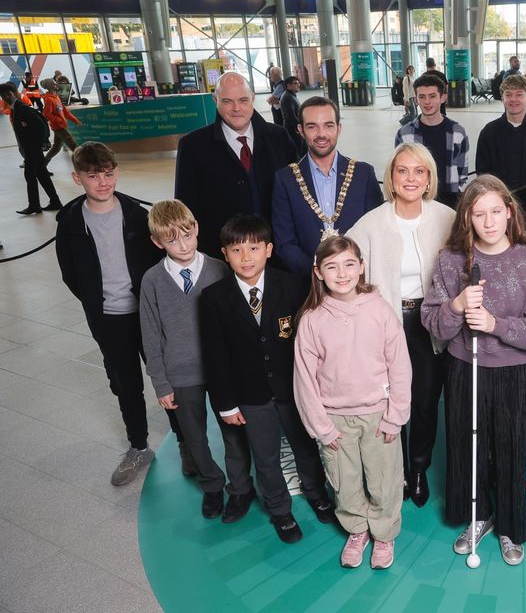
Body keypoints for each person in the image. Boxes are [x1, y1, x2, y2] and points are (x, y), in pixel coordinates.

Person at [421, 175, 526, 566]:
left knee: (510, 447)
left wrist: (496, 324)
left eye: (496, 211)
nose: (488, 221)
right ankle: (477, 515)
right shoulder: (452, 261)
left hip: (512, 371)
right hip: (465, 368)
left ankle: (511, 527)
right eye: (478, 214)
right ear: (466, 219)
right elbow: (432, 321)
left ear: (509, 212)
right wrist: (456, 306)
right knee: (468, 446)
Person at [200, 214, 333, 543]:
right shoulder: (214, 298)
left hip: (294, 388)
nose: (246, 258)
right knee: (266, 456)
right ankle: (280, 511)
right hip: (250, 394)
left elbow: (311, 341)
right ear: (224, 254)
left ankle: (318, 495)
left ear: (269, 250)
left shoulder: (293, 285)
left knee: (306, 447)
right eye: (236, 250)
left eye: (254, 248)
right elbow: (215, 357)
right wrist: (226, 404)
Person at [55, 142, 182, 485]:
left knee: (166, 377)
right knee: (126, 383)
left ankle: (187, 443)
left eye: (108, 174)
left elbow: (160, 264)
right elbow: (70, 274)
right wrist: (99, 301)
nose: (102, 182)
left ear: (117, 173)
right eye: (93, 176)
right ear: (77, 177)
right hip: (108, 319)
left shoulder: (138, 216)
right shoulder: (69, 222)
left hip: (147, 314)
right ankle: (138, 447)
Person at [347, 143, 456, 508]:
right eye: (402, 171)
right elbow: (346, 269)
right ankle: (397, 472)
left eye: (419, 171)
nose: (410, 178)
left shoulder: (446, 217)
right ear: (391, 178)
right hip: (388, 321)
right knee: (391, 399)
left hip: (430, 322)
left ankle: (420, 468)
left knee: (425, 400)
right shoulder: (372, 222)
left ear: (429, 179)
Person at [293, 236, 411, 568]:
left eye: (349, 264)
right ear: (318, 272)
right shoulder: (312, 320)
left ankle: (384, 534)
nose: (341, 273)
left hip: (378, 414)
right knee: (343, 482)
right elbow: (304, 380)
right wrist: (322, 429)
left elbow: (399, 365)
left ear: (361, 267)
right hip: (335, 420)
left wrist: (395, 416)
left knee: (384, 479)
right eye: (331, 266)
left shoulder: (380, 310)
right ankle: (357, 529)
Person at [139, 200, 231, 519]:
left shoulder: (219, 268)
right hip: (180, 374)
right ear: (157, 242)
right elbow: (150, 335)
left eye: (188, 235)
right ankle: (212, 485)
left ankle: (242, 485)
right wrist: (160, 382)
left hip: (221, 370)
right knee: (194, 436)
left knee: (233, 430)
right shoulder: (152, 281)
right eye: (172, 239)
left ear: (197, 229)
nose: (183, 245)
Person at [175, 71, 298, 256]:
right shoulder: (193, 147)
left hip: (278, 254)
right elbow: (186, 210)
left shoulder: (279, 138)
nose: (236, 108)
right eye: (227, 101)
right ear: (214, 99)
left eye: (243, 100)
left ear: (253, 98)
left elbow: (297, 194)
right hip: (221, 256)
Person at [272, 96, 383, 273]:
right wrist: (319, 272)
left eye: (328, 125)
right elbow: (285, 244)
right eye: (312, 126)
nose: (321, 134)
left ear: (339, 128)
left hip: (358, 282)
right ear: (300, 130)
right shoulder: (285, 180)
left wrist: (354, 272)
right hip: (309, 285)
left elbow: (377, 233)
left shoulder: (363, 174)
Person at [395, 74, 470, 209]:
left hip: (450, 201)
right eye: (422, 97)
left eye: (432, 96)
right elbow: (400, 170)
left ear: (443, 97)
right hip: (417, 199)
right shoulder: (405, 134)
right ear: (416, 99)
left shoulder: (458, 132)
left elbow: (462, 170)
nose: (427, 102)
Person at [475, 74, 526, 190]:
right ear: (502, 98)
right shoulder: (489, 132)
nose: (513, 99)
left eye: (519, 94)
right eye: (508, 95)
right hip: (499, 199)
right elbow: (483, 173)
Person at [0, 82, 61, 215]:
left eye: (4, 95)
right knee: (42, 175)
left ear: (9, 94)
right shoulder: (17, 108)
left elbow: (41, 125)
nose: (4, 98)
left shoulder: (21, 108)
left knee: (30, 175)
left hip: (32, 149)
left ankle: (34, 205)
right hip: (33, 148)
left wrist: (38, 144)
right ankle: (55, 201)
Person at [39, 78, 80, 165]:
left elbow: (64, 110)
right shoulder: (49, 99)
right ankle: (83, 161)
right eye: (54, 84)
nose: (56, 85)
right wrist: (58, 120)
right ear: (50, 86)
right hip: (58, 126)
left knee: (57, 147)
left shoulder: (56, 96)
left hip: (61, 125)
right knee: (71, 143)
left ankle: (43, 164)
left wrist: (75, 120)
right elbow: (46, 114)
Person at [279, 75, 304, 155]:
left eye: (298, 83)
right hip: (293, 130)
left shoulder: (290, 95)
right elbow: (290, 116)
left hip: (294, 129)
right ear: (288, 85)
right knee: (297, 152)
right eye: (295, 83)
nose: (298, 85)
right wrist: (299, 128)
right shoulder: (287, 97)